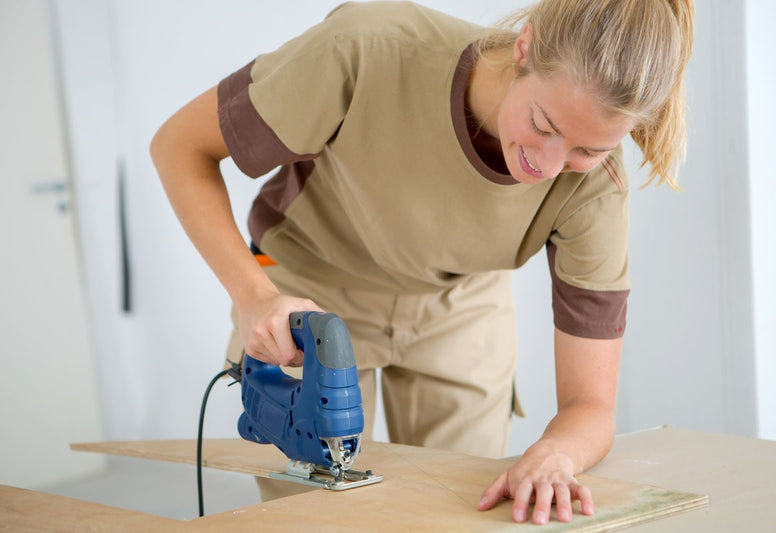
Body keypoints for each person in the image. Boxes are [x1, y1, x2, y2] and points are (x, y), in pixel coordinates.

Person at [151, 0, 694, 525]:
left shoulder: (599, 190)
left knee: (457, 512)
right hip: (309, 288)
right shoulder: (366, 49)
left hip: (459, 306)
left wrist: (556, 453)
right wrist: (253, 297)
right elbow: (180, 146)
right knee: (311, 515)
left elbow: (590, 406)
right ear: (525, 46)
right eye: (544, 124)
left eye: (587, 150)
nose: (550, 166)